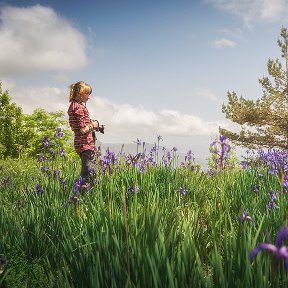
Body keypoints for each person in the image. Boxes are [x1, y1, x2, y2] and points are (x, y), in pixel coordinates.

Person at [68, 81, 100, 183]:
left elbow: (80, 125)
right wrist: (93, 125)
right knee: (88, 172)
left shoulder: (74, 106)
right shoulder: (78, 108)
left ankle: (82, 192)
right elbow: (82, 129)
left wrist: (91, 123)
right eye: (87, 94)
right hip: (85, 144)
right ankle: (79, 192)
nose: (89, 97)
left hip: (81, 143)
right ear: (80, 94)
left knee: (88, 171)